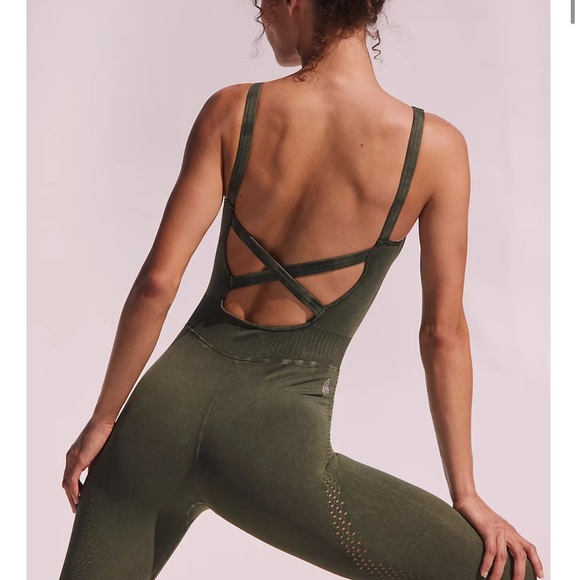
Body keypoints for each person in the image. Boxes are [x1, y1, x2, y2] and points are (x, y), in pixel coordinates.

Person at [59, 1, 545, 579]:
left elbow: (156, 284)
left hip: (156, 418)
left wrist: (104, 420)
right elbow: (443, 334)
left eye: (261, 2)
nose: (260, 15)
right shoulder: (435, 149)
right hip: (272, 447)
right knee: (504, 573)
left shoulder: (232, 110)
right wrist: (466, 494)